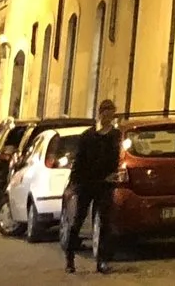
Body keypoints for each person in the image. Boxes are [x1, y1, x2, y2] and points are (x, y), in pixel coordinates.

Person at [59, 99, 121, 274]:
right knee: (78, 219)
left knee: (104, 222)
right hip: (87, 183)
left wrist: (114, 175)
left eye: (111, 113)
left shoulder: (116, 136)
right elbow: (79, 161)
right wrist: (73, 184)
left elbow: (118, 159)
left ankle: (102, 260)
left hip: (106, 184)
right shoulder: (88, 136)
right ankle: (70, 258)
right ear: (100, 114)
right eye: (105, 113)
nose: (108, 116)